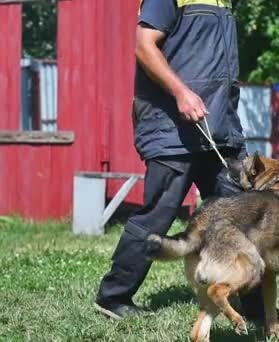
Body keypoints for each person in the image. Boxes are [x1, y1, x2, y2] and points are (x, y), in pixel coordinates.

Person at [94, 0, 264, 320]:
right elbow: (144, 47)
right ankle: (113, 296)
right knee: (158, 215)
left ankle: (256, 309)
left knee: (242, 213)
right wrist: (181, 93)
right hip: (171, 128)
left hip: (218, 129)